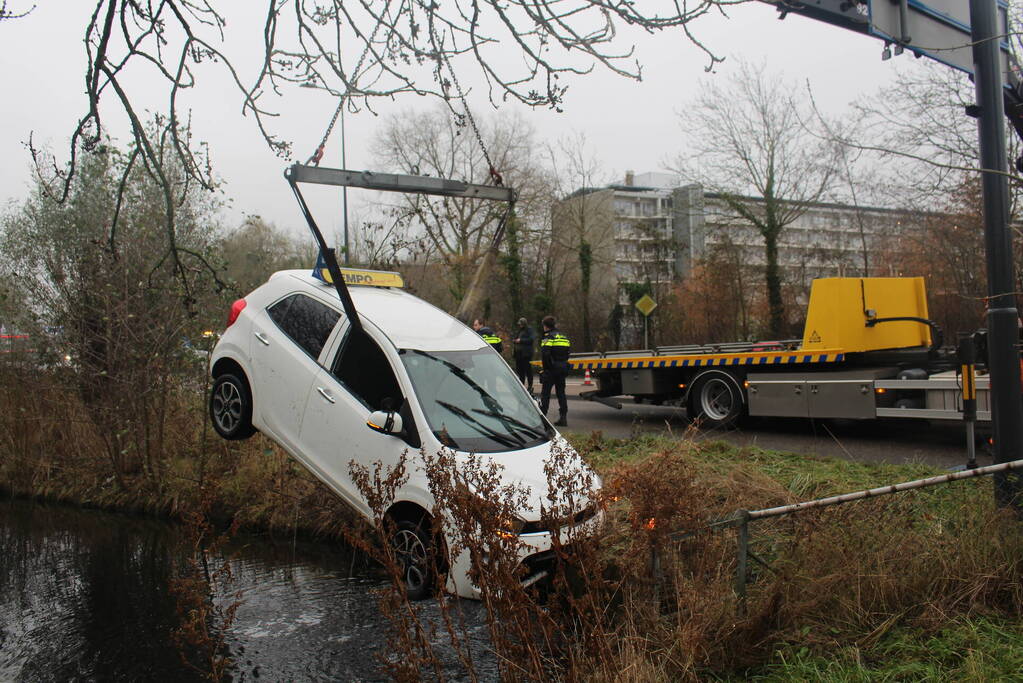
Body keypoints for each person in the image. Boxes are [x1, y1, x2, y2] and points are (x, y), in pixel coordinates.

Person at [538, 315, 571, 426]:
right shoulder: (564, 337)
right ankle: (563, 418)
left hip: (551, 369)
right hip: (562, 368)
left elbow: (545, 354)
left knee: (545, 394)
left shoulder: (548, 337)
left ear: (545, 326)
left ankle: (543, 419)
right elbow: (567, 353)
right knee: (561, 393)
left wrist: (546, 369)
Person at [512, 317, 535, 393]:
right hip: (518, 354)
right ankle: (522, 386)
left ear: (524, 323)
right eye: (519, 324)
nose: (520, 325)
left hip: (526, 354)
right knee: (520, 370)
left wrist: (521, 340)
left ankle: (530, 386)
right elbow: (516, 338)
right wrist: (515, 340)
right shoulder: (519, 331)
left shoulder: (529, 330)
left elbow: (531, 340)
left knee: (528, 370)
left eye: (521, 324)